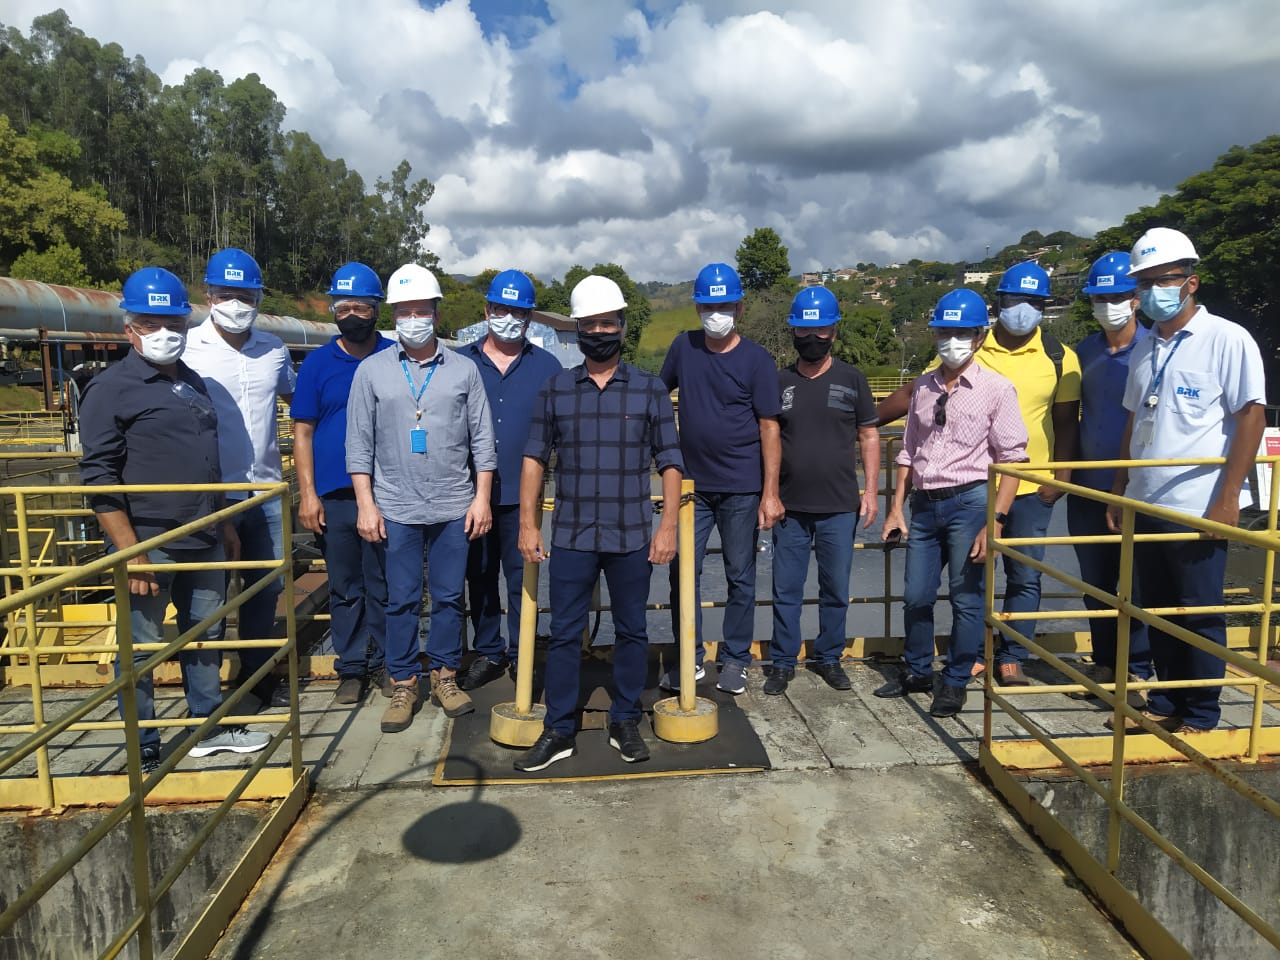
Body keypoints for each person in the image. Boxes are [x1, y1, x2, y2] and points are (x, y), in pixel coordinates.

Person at [79, 267, 270, 773]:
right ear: (129, 329)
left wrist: (223, 522)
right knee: (141, 648)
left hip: (203, 533)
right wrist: (131, 552)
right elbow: (99, 477)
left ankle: (207, 725)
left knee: (205, 634)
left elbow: (208, 460)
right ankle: (143, 743)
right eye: (150, 323)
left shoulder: (191, 382)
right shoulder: (109, 389)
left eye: (174, 323)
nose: (164, 333)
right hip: (149, 539)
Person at [878, 261, 1081, 685]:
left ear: (1045, 307)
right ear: (998, 304)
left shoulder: (1060, 357)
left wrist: (1059, 480)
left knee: (1024, 577)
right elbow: (917, 395)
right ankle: (969, 656)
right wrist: (861, 422)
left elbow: (1066, 422)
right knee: (970, 582)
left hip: (1030, 487)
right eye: (1014, 298)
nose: (1022, 308)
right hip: (972, 487)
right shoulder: (969, 344)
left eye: (1033, 301)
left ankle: (1011, 656)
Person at [514, 274, 684, 772]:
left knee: (632, 630)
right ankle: (559, 728)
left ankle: (625, 719)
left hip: (631, 534)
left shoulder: (650, 390)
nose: (598, 332)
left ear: (622, 327)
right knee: (565, 632)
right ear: (577, 330)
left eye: (607, 323)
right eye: (589, 324)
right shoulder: (556, 390)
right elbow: (534, 459)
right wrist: (528, 525)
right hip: (571, 533)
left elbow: (671, 461)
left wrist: (668, 527)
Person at [1106, 227, 1265, 733]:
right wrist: (1119, 488)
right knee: (1157, 610)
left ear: (1190, 282)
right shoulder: (1145, 346)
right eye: (1145, 283)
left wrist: (1228, 499)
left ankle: (1200, 711)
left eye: (1164, 280)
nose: (1154, 291)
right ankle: (1166, 701)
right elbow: (1134, 419)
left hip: (1198, 504)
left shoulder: (1226, 339)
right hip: (1147, 499)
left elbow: (1251, 417)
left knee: (1199, 611)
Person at [347, 263, 497, 733]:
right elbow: (358, 444)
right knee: (401, 599)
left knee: (450, 597)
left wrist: (482, 499)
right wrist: (366, 504)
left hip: (454, 505)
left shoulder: (464, 370)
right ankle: (403, 682)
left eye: (421, 310)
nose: (413, 319)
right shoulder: (371, 371)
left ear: (436, 313)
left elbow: (483, 441)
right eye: (404, 311)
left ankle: (445, 676)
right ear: (392, 315)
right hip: (396, 506)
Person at [874, 289, 1029, 717]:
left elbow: (1013, 459)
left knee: (966, 598)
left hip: (970, 502)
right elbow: (908, 451)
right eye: (944, 332)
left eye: (961, 333)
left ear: (979, 337)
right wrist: (895, 508)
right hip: (924, 505)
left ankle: (957, 679)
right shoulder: (923, 387)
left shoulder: (997, 389)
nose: (952, 341)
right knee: (916, 595)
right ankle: (918, 670)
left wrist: (995, 520)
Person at [658, 262, 782, 695]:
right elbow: (657, 394)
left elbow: (770, 427)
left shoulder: (757, 361)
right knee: (681, 573)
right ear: (697, 308)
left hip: (742, 487)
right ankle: (688, 657)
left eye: (724, 305)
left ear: (739, 308)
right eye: (709, 306)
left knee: (740, 574)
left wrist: (770, 493)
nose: (716, 314)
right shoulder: (684, 347)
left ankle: (735, 659)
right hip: (690, 487)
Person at [184, 248, 296, 710]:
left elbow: (297, 402)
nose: (236, 304)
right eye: (226, 294)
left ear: (258, 299)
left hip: (266, 492)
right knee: (208, 598)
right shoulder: (187, 349)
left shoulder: (273, 350)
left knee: (265, 590)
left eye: (245, 296)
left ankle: (256, 679)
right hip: (213, 495)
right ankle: (205, 697)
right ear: (208, 295)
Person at [765, 287, 880, 696]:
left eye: (821, 330)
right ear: (793, 331)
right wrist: (768, 494)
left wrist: (871, 491)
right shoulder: (779, 381)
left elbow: (869, 435)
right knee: (786, 590)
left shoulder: (852, 379)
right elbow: (768, 435)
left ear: (834, 332)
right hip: (789, 507)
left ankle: (829, 657)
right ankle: (782, 662)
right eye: (804, 330)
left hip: (839, 506)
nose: (812, 338)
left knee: (835, 590)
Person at [291, 263, 395, 706]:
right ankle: (351, 667)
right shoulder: (318, 364)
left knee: (386, 583)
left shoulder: (394, 356)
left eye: (361, 307)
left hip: (388, 492)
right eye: (343, 306)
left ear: (377, 310)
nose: (352, 315)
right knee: (345, 585)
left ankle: (392, 663)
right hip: (334, 495)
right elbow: (303, 432)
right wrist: (308, 494)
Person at [458, 270, 563, 691]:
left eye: (518, 312)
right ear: (487, 311)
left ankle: (522, 654)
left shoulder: (548, 367)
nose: (508, 318)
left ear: (529, 317)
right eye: (501, 309)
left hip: (525, 496)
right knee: (479, 576)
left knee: (524, 579)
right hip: (471, 494)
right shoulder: (460, 362)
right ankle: (489, 651)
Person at [1067, 252, 1152, 704]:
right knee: (1094, 583)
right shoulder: (1083, 352)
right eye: (1099, 299)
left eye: (1117, 297)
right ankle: (1104, 663)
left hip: (1136, 488)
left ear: (1136, 299)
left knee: (1135, 585)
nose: (1107, 306)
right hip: (1086, 486)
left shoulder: (1155, 350)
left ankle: (1136, 669)